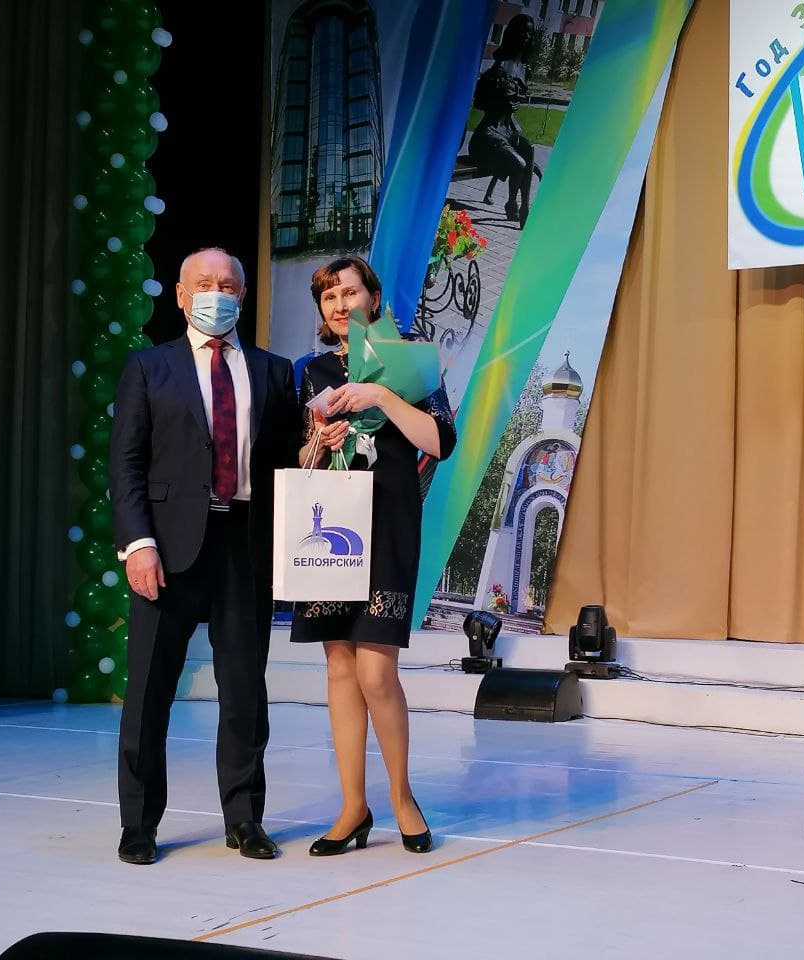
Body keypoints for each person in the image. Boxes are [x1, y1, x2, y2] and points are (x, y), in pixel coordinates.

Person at [109, 247, 301, 865]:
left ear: (242, 296)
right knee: (149, 692)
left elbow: (288, 463)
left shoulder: (274, 371)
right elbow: (126, 463)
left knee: (244, 692)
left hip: (245, 543)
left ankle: (244, 818)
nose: (217, 294)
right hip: (166, 547)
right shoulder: (148, 366)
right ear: (181, 294)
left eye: (228, 285)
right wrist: (138, 543)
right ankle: (138, 824)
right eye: (204, 283)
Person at [292, 254, 457, 856]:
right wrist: (320, 438)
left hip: (387, 522)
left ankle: (402, 796)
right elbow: (301, 460)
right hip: (332, 521)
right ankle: (352, 807)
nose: (340, 304)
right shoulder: (312, 371)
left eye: (349, 292)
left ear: (373, 297)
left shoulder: (406, 358)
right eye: (328, 296)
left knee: (376, 671)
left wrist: (381, 395)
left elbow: (440, 440)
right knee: (340, 666)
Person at [468, 13, 540, 227]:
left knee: (530, 149)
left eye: (530, 33)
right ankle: (512, 204)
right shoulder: (499, 67)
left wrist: (512, 105)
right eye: (522, 32)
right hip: (488, 134)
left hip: (508, 130)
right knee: (520, 163)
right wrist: (501, 102)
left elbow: (513, 104)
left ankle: (524, 206)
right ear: (512, 34)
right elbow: (479, 102)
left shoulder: (522, 68)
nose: (526, 36)